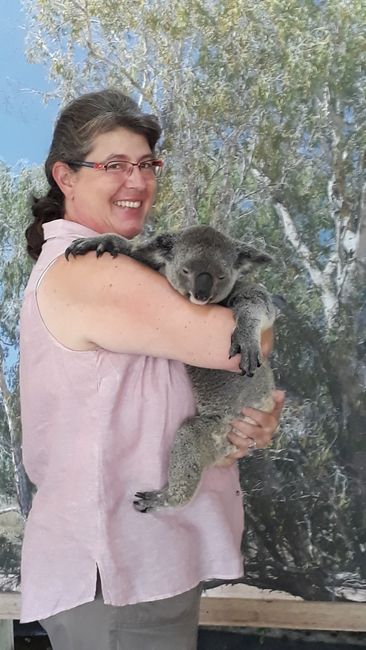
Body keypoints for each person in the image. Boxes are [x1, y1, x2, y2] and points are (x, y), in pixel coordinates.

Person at [19, 88, 285, 650]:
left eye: (145, 164)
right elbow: (233, 344)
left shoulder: (114, 260)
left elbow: (213, 367)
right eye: (113, 165)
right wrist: (253, 333)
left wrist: (251, 414)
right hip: (119, 572)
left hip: (137, 564)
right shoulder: (95, 268)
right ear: (65, 177)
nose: (136, 180)